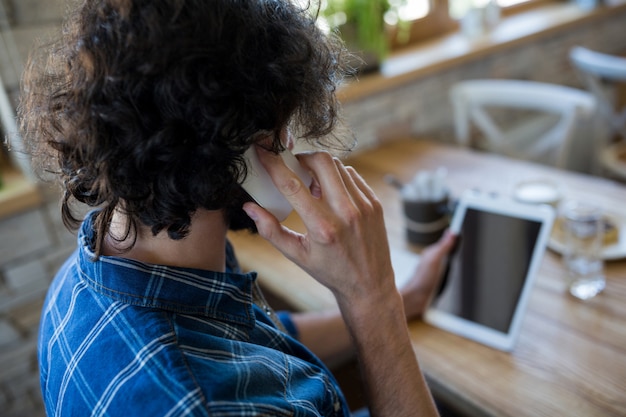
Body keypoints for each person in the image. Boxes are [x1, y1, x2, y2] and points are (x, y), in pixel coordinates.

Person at [19, 0, 456, 416]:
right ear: (239, 145)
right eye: (282, 129)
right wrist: (372, 300)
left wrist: (406, 299)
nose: (289, 143)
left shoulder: (89, 270)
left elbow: (248, 343)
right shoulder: (207, 405)